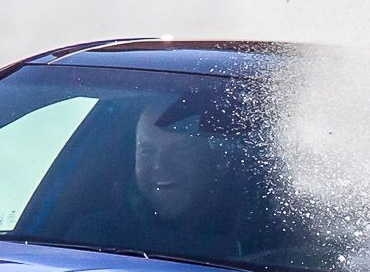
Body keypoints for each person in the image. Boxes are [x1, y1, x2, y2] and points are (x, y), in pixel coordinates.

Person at [69, 98, 244, 262]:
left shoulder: (262, 238)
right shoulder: (93, 239)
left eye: (181, 150)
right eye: (147, 151)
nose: (160, 166)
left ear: (219, 160)